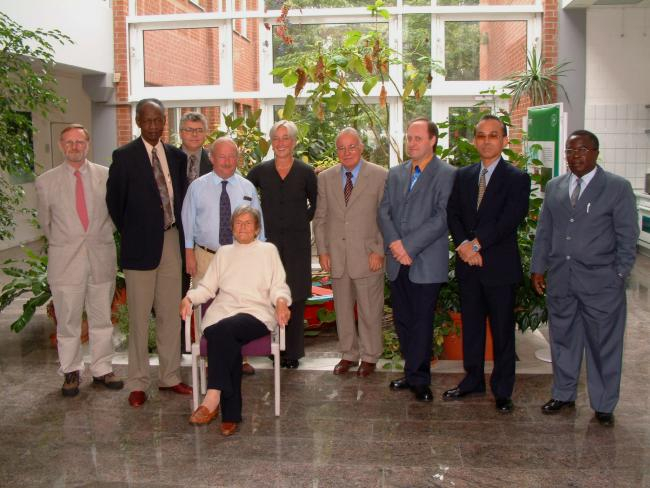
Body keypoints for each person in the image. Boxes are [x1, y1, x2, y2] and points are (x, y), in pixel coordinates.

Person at [531, 129, 639, 426]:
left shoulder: (617, 187)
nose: (574, 156)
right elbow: (545, 232)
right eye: (569, 151)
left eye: (581, 150)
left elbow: (628, 236)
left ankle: (604, 403)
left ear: (595, 152)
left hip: (601, 283)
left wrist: (619, 273)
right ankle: (564, 394)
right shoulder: (555, 186)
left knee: (603, 343)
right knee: (563, 339)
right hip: (562, 280)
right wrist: (538, 268)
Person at [106, 98, 192, 407]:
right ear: (138, 121)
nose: (154, 126)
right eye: (148, 120)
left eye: (159, 120)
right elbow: (115, 203)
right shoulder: (124, 156)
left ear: (165, 121)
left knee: (170, 314)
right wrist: (134, 231)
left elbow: (180, 200)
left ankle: (170, 376)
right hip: (139, 246)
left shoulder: (177, 157)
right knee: (140, 317)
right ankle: (138, 381)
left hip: (171, 242)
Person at [444, 114, 531, 413]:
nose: (486, 140)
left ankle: (503, 389)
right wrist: (463, 246)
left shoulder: (518, 179)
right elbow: (452, 213)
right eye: (481, 135)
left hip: (500, 268)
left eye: (493, 135)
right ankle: (473, 380)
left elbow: (510, 219)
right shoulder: (463, 175)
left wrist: (477, 244)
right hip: (469, 266)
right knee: (472, 327)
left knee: (503, 330)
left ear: (504, 140)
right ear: (474, 141)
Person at [180, 206, 291, 436]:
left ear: (257, 228)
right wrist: (189, 297)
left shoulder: (267, 251)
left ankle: (213, 396)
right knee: (224, 334)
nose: (242, 227)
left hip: (255, 313)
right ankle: (230, 416)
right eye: (238, 223)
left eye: (248, 223)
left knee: (223, 332)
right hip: (222, 312)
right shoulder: (224, 253)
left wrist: (281, 301)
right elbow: (208, 287)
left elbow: (278, 285)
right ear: (231, 228)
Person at [36, 124, 123, 397]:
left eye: (80, 142)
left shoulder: (106, 176)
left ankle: (102, 369)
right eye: (69, 142)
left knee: (102, 318)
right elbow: (45, 224)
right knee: (68, 320)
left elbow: (113, 216)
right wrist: (71, 239)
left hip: (101, 256)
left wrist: (97, 236)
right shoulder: (46, 181)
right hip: (65, 261)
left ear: (88, 144)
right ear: (62, 146)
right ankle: (71, 371)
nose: (75, 147)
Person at [378, 118, 456, 402]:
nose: (411, 143)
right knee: (402, 322)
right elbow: (384, 211)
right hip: (397, 262)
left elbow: (442, 217)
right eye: (409, 138)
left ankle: (421, 380)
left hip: (425, 263)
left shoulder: (447, 174)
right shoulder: (396, 173)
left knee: (422, 323)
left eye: (418, 138)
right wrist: (395, 244)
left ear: (432, 140)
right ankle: (410, 372)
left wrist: (407, 246)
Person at [181, 136, 263, 375]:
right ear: (212, 158)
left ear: (237, 159)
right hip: (206, 255)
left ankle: (241, 357)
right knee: (206, 307)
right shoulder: (197, 186)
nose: (227, 161)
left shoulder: (247, 187)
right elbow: (187, 220)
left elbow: (259, 223)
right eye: (222, 156)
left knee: (241, 305)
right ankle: (208, 359)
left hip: (241, 256)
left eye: (232, 156)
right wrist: (189, 253)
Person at [313, 127, 387, 377]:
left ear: (361, 147)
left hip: (368, 256)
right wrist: (322, 251)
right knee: (343, 311)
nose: (347, 152)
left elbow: (386, 217)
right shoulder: (325, 178)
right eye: (341, 148)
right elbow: (320, 217)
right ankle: (348, 354)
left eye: (351, 146)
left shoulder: (380, 176)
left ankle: (369, 356)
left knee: (369, 310)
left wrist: (379, 249)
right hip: (337, 256)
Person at [247, 120, 317, 369]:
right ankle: (272, 347)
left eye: (286, 138)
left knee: (295, 295)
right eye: (276, 138)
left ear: (294, 142)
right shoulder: (260, 171)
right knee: (269, 293)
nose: (281, 143)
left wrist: (302, 220)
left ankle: (292, 352)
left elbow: (316, 203)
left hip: (298, 243)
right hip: (268, 243)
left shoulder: (306, 172)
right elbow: (245, 198)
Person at [178, 111, 213, 311]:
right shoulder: (169, 159)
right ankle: (182, 341)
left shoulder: (214, 160)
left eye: (199, 130)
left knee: (206, 294)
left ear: (206, 133)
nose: (194, 134)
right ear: (181, 132)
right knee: (178, 292)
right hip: (175, 235)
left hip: (205, 239)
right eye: (189, 130)